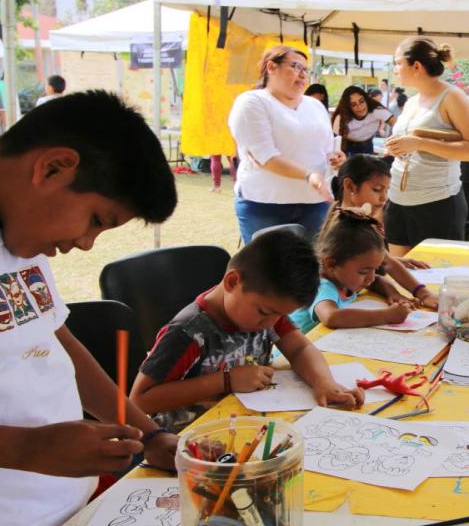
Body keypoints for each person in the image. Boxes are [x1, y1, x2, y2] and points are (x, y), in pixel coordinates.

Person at [0, 90, 178, 526]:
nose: (85, 244)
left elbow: (57, 343)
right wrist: (26, 448)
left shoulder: (19, 231)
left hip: (80, 507)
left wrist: (150, 432)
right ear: (52, 168)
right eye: (96, 220)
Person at [130, 228, 365, 433]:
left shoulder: (267, 312)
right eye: (264, 312)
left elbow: (300, 348)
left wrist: (323, 382)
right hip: (191, 443)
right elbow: (140, 400)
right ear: (233, 282)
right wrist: (225, 381)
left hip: (248, 426)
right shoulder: (188, 333)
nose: (271, 324)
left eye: (280, 316)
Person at [228, 46, 345, 242]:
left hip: (315, 204)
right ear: (271, 67)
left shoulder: (315, 106)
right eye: (295, 67)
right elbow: (264, 157)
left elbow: (325, 148)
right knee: (268, 269)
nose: (302, 75)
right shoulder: (252, 102)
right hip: (265, 204)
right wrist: (308, 175)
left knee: (312, 268)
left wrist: (337, 158)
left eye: (306, 70)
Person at [383, 36, 469, 256]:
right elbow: (412, 146)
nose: (395, 69)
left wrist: (419, 143)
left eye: (398, 63)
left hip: (437, 203)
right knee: (402, 276)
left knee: (433, 280)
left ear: (416, 66)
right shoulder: (411, 102)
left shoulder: (453, 97)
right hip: (398, 200)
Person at [289, 206, 415, 334]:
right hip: (294, 351)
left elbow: (376, 281)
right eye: (363, 272)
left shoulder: (344, 279)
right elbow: (331, 317)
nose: (370, 278)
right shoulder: (322, 285)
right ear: (331, 263)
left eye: (374, 269)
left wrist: (393, 294)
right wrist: (387, 316)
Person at [336, 154, 439, 305]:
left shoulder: (345, 215)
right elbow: (387, 264)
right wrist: (423, 294)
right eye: (377, 190)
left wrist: (387, 259)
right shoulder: (350, 225)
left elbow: (379, 263)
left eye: (387, 190)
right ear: (350, 186)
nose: (384, 198)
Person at [332, 86, 396, 156]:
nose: (359, 107)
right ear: (348, 107)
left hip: (368, 146)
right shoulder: (341, 118)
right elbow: (335, 144)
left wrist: (394, 142)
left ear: (366, 100)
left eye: (361, 101)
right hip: (348, 149)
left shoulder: (377, 110)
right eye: (354, 105)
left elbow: (397, 125)